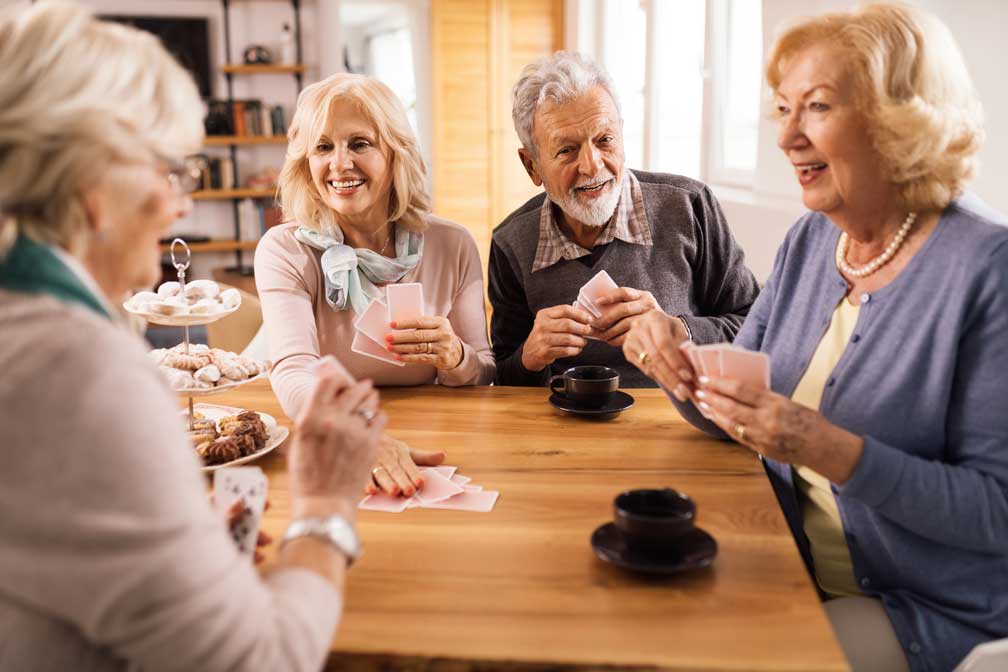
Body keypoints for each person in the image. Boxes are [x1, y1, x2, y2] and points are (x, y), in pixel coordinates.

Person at [0, 3, 385, 670]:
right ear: (95, 184)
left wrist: (166, 538)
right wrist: (323, 507)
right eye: (168, 172)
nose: (179, 204)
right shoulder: (78, 372)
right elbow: (260, 660)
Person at [623, 4, 1007, 670]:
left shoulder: (986, 268)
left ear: (899, 117)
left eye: (818, 107)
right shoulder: (812, 239)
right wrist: (675, 363)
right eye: (783, 109)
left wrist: (826, 448)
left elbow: (994, 512)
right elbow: (746, 410)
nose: (786, 137)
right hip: (787, 560)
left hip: (922, 608)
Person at [256, 72, 494, 497]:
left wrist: (456, 357)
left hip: (438, 437)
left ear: (395, 153)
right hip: (333, 437)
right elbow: (293, 372)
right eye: (323, 147)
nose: (340, 164)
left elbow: (483, 372)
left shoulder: (452, 244)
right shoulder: (284, 250)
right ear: (306, 164)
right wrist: (362, 437)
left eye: (360, 143)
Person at [488, 51, 759, 388]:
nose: (592, 165)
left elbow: (759, 331)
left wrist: (677, 329)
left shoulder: (690, 207)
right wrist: (529, 357)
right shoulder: (511, 242)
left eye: (605, 140)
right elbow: (504, 379)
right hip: (563, 430)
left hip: (676, 422)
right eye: (566, 150)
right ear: (532, 166)